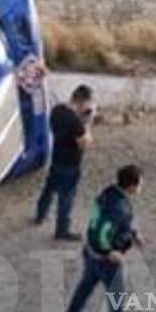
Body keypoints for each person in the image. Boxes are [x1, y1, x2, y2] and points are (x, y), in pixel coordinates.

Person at [60, 164, 146, 312]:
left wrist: (132, 233)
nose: (141, 187)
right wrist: (109, 252)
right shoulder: (121, 207)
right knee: (117, 299)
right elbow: (105, 231)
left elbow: (100, 222)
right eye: (140, 183)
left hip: (90, 252)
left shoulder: (107, 194)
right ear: (132, 185)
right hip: (107, 261)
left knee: (85, 287)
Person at [35, 84, 95, 240]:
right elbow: (85, 144)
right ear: (83, 102)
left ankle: (40, 214)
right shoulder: (76, 122)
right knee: (66, 197)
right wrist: (87, 123)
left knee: (49, 188)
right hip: (71, 164)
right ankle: (62, 230)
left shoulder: (57, 110)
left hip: (56, 158)